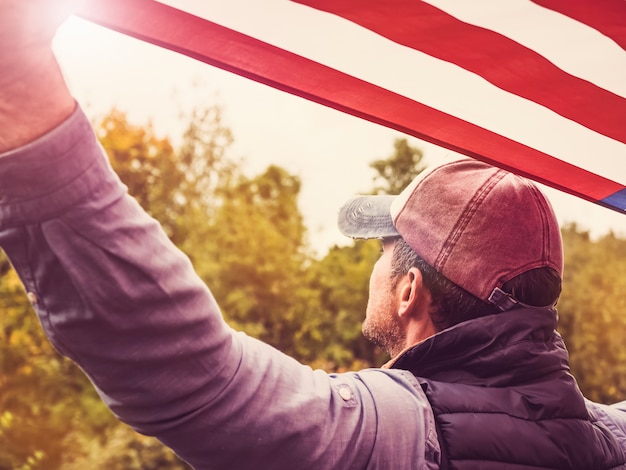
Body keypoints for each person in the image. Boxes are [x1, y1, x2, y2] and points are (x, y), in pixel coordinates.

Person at [1, 2, 625, 469]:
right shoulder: (605, 440)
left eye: (383, 249)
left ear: (410, 290)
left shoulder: (389, 432)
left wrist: (21, 98)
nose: (372, 268)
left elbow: (189, 372)